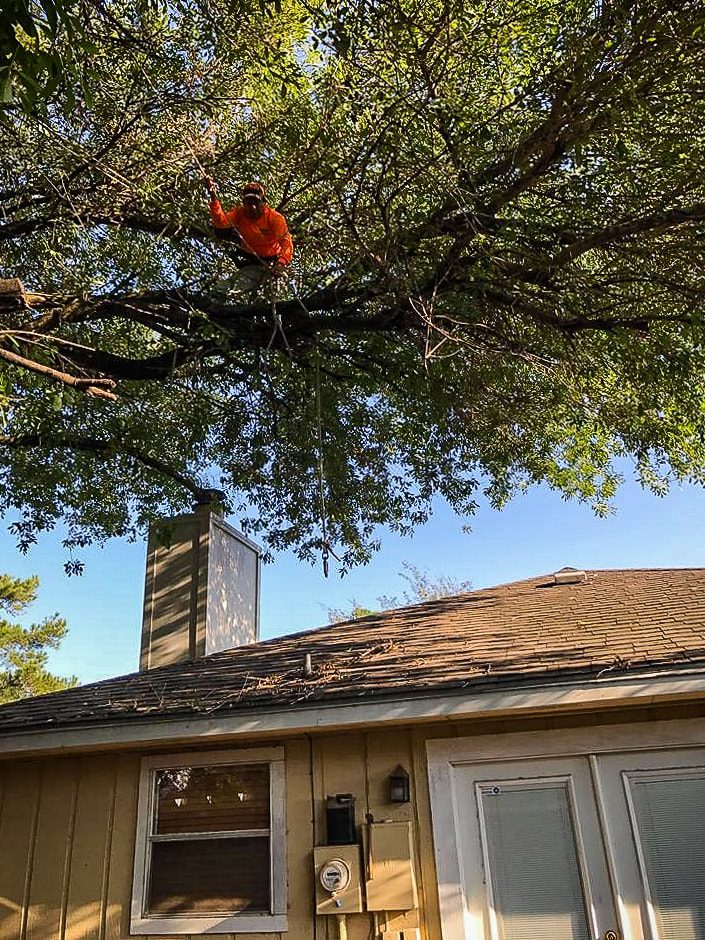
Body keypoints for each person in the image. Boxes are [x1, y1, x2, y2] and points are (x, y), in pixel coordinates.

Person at [207, 179, 293, 295]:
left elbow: (286, 241)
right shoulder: (239, 213)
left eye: (255, 202)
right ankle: (215, 300)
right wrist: (213, 197)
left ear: (263, 202)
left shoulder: (274, 218)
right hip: (251, 259)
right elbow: (221, 223)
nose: (252, 207)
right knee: (229, 287)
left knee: (275, 290)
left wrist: (280, 263)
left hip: (272, 260)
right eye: (248, 202)